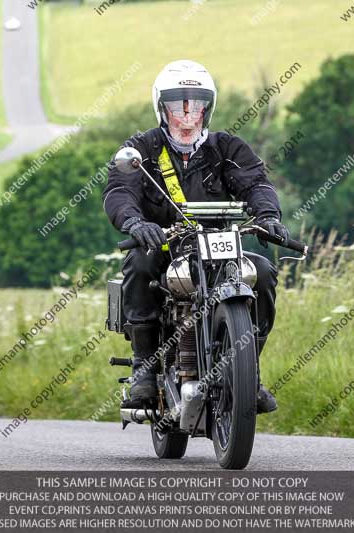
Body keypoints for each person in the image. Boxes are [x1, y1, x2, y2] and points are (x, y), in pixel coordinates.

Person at [102, 60, 289, 414]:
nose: (187, 117)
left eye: (196, 106)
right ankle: (144, 367)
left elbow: (256, 183)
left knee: (262, 272)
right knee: (139, 264)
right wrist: (135, 224)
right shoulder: (142, 148)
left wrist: (268, 215)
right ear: (162, 108)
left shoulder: (227, 148)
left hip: (219, 244)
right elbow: (119, 191)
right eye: (177, 107)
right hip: (163, 245)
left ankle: (249, 371)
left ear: (208, 109)